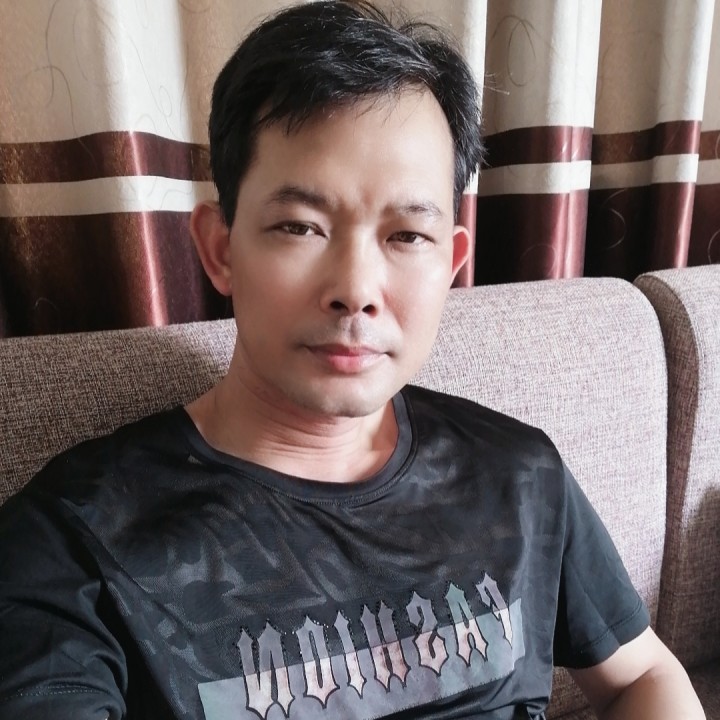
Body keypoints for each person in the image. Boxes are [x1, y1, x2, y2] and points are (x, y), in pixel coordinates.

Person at [0, 2, 705, 719]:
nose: (356, 289)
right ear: (220, 248)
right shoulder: (72, 541)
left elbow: (644, 673)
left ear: (451, 262)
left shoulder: (520, 474)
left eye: (407, 236)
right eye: (300, 226)